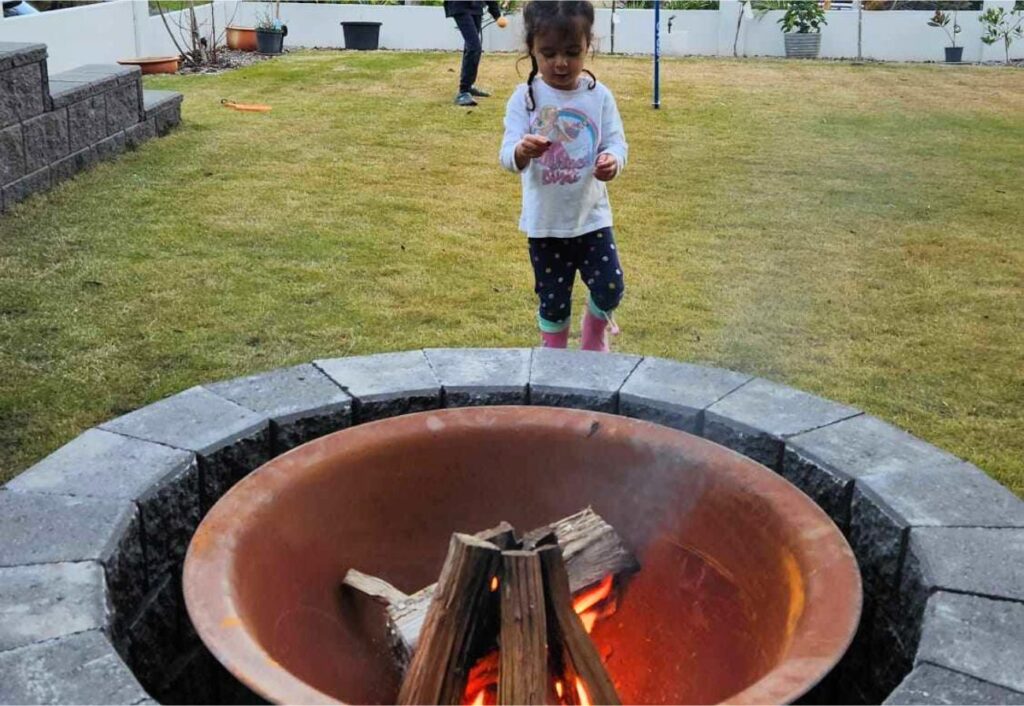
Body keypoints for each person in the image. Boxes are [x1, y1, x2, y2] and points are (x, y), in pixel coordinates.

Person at [499, 1, 628, 352]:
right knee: (553, 301)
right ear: (531, 50)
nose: (560, 63)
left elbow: (617, 142)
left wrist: (611, 160)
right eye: (549, 52)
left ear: (589, 47)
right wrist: (522, 151)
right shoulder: (525, 99)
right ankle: (554, 359)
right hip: (546, 225)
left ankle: (593, 338)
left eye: (572, 52)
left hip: (591, 218)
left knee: (611, 285)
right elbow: (507, 154)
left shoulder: (598, 97)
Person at [444, 1, 503, 107]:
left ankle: (468, 87)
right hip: (460, 6)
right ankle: (463, 92)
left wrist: (497, 15)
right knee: (474, 47)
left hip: (476, 7)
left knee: (471, 47)